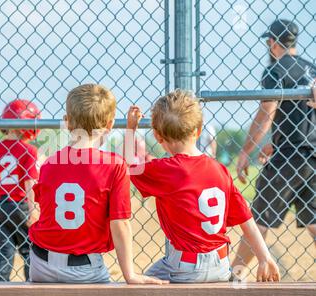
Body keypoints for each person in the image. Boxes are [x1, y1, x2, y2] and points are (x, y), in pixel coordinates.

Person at [125, 89, 280, 282]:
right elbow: (246, 219)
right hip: (221, 266)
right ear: (198, 131)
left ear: (157, 136)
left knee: (139, 286)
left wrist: (131, 129)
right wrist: (264, 257)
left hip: (183, 267)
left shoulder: (166, 169)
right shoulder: (220, 170)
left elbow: (130, 166)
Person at [28, 84, 164, 284]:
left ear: (67, 123)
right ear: (109, 125)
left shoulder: (50, 163)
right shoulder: (113, 166)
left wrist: (129, 132)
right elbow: (120, 224)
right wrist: (130, 275)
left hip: (41, 264)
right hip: (83, 269)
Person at [233, 19, 316, 274]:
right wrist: (275, 141)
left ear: (272, 42)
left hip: (287, 158)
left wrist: (246, 151)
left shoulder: (275, 70)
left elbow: (266, 114)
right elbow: (301, 117)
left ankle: (234, 273)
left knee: (260, 218)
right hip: (312, 155)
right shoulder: (311, 68)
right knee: (314, 218)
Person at [0, 99, 40, 281]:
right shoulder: (29, 150)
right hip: (20, 206)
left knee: (1, 255)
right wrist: (33, 210)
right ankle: (32, 287)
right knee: (30, 252)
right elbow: (29, 182)